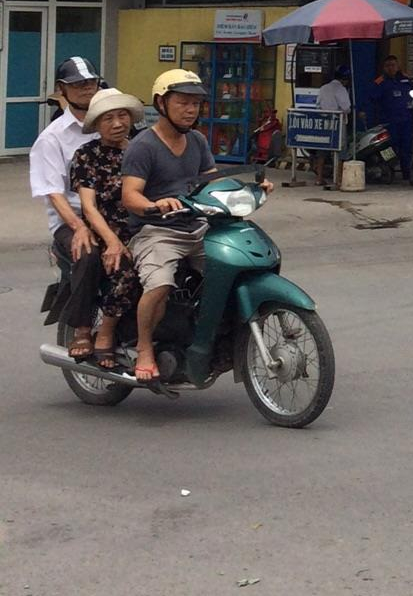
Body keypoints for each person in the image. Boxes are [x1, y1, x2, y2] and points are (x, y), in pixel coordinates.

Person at [122, 68, 257, 383]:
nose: (190, 110)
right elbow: (130, 195)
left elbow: (211, 181)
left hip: (198, 226)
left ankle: (213, 338)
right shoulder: (143, 145)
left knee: (234, 270)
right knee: (160, 284)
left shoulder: (197, 140)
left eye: (195, 104)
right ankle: (144, 348)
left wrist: (251, 191)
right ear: (161, 103)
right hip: (157, 231)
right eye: (182, 102)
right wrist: (156, 204)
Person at [68, 89, 147, 368]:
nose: (117, 123)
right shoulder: (87, 155)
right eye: (108, 118)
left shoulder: (142, 149)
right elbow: (89, 207)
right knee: (126, 271)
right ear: (97, 124)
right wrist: (112, 241)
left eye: (122, 115)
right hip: (105, 230)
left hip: (144, 226)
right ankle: (105, 331)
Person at [31, 56, 104, 348]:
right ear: (62, 89)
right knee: (88, 253)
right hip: (71, 220)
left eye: (91, 82)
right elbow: (53, 193)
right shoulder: (52, 138)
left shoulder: (112, 125)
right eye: (78, 83)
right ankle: (82, 329)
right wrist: (79, 227)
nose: (86, 88)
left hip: (113, 214)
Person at [370, 54, 413, 179]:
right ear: (384, 67)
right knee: (388, 147)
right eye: (388, 65)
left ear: (398, 66)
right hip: (389, 121)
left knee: (406, 147)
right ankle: (389, 171)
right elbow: (372, 99)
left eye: (393, 65)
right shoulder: (380, 82)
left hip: (405, 120)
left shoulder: (405, 80)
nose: (391, 68)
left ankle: (406, 173)